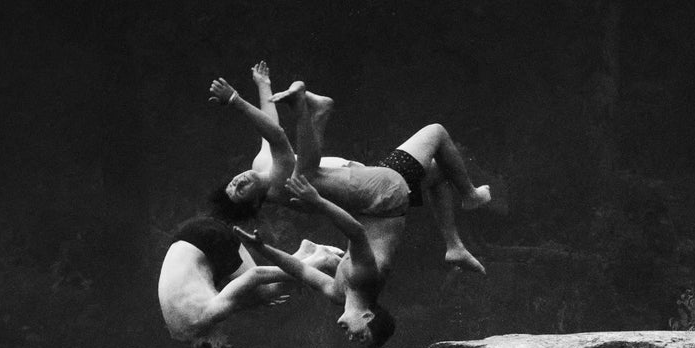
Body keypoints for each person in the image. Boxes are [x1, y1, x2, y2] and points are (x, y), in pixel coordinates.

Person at [208, 68, 491, 272]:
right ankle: (470, 195)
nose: (238, 181)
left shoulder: (262, 166)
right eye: (240, 190)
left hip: (365, 180)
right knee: (437, 133)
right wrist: (235, 100)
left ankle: (454, 246)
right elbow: (277, 136)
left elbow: (268, 126)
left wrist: (264, 86)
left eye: (233, 182)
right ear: (254, 202)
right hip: (376, 183)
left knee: (441, 172)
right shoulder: (279, 184)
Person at [157, 214, 342, 348]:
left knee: (267, 291)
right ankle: (306, 251)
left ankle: (319, 259)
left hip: (208, 240)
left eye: (225, 342)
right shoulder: (179, 332)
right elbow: (228, 301)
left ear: (215, 346)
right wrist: (254, 301)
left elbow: (256, 274)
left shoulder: (208, 314)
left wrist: (304, 271)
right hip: (187, 238)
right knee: (260, 294)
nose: (225, 336)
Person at [233, 172, 398, 348]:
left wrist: (262, 248)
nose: (351, 338)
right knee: (292, 182)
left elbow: (300, 270)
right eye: (361, 336)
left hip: (374, 198)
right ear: (367, 316)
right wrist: (317, 201)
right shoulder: (365, 280)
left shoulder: (337, 294)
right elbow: (357, 233)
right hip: (387, 196)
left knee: (284, 185)